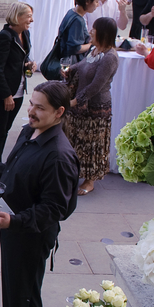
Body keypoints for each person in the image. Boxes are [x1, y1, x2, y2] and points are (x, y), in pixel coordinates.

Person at [0, 81, 79, 307]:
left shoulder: (59, 156)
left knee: (23, 295)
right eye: (31, 104)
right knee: (16, 290)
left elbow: (55, 208)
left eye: (40, 108)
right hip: (14, 224)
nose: (31, 111)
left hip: (30, 234)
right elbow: (14, 169)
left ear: (59, 112)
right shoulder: (30, 131)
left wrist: (14, 222)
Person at [62, 17, 119, 196]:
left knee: (93, 144)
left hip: (96, 108)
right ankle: (75, 172)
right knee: (78, 140)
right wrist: (70, 69)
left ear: (102, 33)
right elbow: (84, 64)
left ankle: (90, 180)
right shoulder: (95, 50)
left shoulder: (110, 57)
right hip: (81, 107)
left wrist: (75, 101)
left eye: (93, 29)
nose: (90, 32)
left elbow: (96, 86)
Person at [0, 2, 34, 162]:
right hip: (2, 95)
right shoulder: (4, 37)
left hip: (18, 91)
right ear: (17, 17)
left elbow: (18, 59)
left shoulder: (24, 34)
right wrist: (6, 95)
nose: (31, 20)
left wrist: (27, 65)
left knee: (5, 130)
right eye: (28, 16)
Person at [55, 0, 99, 65]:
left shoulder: (72, 11)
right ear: (87, 2)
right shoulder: (78, 20)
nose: (97, 5)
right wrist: (92, 44)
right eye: (96, 1)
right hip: (71, 62)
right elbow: (75, 48)